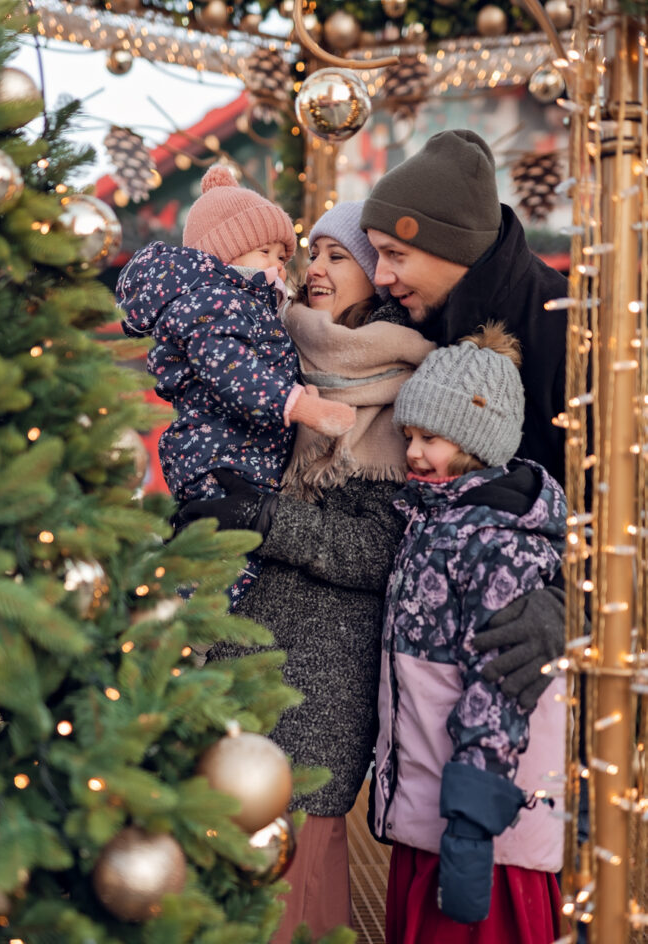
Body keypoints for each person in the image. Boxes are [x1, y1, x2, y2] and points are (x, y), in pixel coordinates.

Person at [176, 200, 434, 941]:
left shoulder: (404, 394)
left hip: (318, 682)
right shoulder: (272, 365)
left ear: (375, 278)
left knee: (296, 889)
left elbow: (382, 553)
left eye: (337, 256)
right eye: (310, 253)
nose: (315, 270)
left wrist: (264, 517)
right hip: (232, 656)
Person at [361, 129, 570, 710]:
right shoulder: (406, 321)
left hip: (527, 662)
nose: (380, 275)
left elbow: (624, 500)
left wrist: (569, 601)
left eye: (396, 255)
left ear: (454, 249)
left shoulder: (566, 327)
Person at [374, 323, 566, 944]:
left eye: (430, 437)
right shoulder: (435, 521)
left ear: (478, 441)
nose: (414, 453)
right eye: (410, 436)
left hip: (482, 829)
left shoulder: (498, 544)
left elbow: (499, 686)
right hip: (433, 809)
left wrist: (470, 826)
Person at [115, 166, 355, 603]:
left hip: (239, 451)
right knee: (223, 563)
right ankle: (191, 632)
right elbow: (229, 366)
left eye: (283, 256)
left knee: (231, 553)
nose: (279, 265)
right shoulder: (216, 300)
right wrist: (299, 405)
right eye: (266, 251)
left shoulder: (243, 304)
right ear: (225, 253)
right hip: (221, 453)